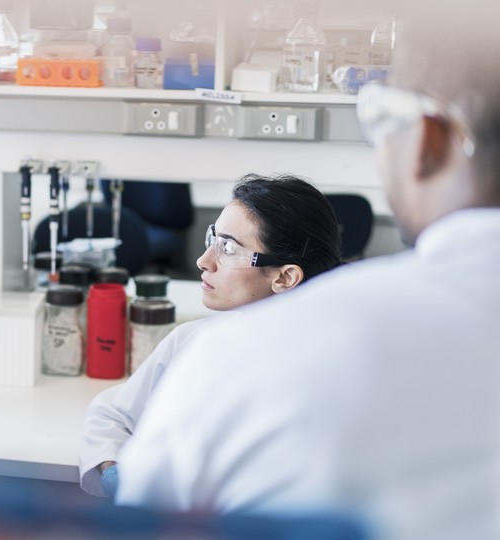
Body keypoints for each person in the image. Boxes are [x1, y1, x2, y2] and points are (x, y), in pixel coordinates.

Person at [116, 5, 500, 539]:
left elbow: (145, 524)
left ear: (427, 142)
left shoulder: (254, 355)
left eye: (380, 119)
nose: (207, 262)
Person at [79, 174, 343, 497]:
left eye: (228, 248)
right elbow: (110, 416)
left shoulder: (332, 371)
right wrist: (113, 472)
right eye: (213, 240)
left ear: (285, 276)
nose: (203, 261)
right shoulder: (193, 341)